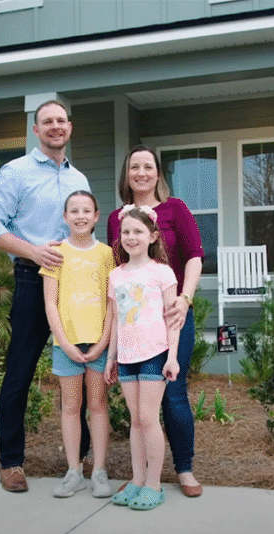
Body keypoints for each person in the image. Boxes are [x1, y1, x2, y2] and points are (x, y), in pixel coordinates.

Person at [0, 100, 91, 493]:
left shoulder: (79, 178)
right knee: (20, 373)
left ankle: (81, 460)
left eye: (61, 121)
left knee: (81, 370)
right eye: (47, 122)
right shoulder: (17, 172)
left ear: (70, 128)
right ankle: (11, 462)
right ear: (36, 130)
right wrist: (33, 251)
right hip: (32, 279)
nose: (55, 127)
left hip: (76, 286)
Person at [106, 145, 205, 498]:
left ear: (158, 174)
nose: (142, 173)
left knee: (174, 396)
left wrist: (184, 298)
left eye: (148, 167)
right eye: (135, 167)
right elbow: (119, 271)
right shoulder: (117, 217)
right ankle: (144, 478)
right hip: (135, 324)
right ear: (127, 174)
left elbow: (194, 256)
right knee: (140, 412)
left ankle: (184, 469)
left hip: (172, 314)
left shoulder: (175, 209)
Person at [105, 205, 179, 511]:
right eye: (126, 232)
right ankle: (136, 480)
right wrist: (111, 356)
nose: (131, 237)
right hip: (127, 355)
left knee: (149, 418)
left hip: (155, 353)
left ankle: (154, 484)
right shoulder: (116, 275)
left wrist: (172, 357)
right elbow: (115, 318)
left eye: (138, 231)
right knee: (135, 421)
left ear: (152, 235)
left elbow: (173, 318)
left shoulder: (162, 272)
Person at [41, 191, 115, 498]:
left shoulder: (107, 254)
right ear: (65, 217)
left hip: (98, 341)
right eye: (74, 211)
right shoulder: (56, 253)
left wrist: (103, 343)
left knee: (97, 406)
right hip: (66, 344)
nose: (81, 216)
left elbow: (113, 304)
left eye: (87, 210)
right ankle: (74, 471)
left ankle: (99, 471)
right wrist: (64, 342)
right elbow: (50, 303)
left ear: (97, 216)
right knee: (71, 407)